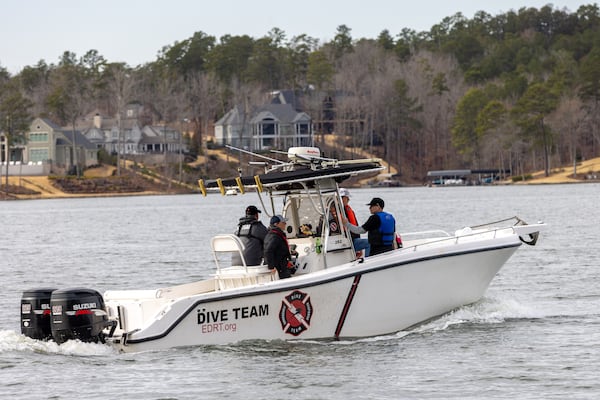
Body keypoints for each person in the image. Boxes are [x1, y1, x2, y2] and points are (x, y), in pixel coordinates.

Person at [264, 215, 297, 279]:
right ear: (276, 224)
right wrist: (271, 267)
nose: (285, 224)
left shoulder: (276, 234)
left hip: (282, 265)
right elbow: (268, 251)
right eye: (283, 223)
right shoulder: (274, 236)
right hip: (279, 268)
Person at [339, 188, 370, 257]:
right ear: (342, 198)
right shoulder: (336, 211)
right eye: (347, 198)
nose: (349, 200)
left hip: (353, 240)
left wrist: (359, 249)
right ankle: (369, 263)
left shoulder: (347, 210)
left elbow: (355, 226)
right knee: (369, 243)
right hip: (346, 241)